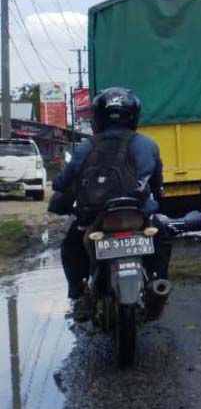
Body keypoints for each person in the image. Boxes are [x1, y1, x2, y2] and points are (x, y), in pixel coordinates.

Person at [52, 87, 173, 320]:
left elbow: (63, 181)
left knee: (71, 246)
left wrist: (61, 190)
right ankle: (158, 282)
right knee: (162, 237)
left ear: (98, 116)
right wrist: (156, 197)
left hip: (95, 217)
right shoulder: (147, 144)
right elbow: (156, 182)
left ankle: (79, 296)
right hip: (137, 213)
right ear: (133, 115)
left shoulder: (87, 146)